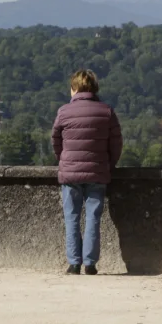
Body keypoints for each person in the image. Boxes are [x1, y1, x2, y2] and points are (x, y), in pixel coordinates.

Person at [52, 69, 123, 276]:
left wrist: (64, 160)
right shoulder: (106, 111)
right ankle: (90, 263)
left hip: (70, 172)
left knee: (71, 217)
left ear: (74, 88)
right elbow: (116, 143)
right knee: (93, 216)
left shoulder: (63, 112)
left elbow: (55, 141)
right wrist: (109, 163)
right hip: (97, 171)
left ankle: (74, 263)